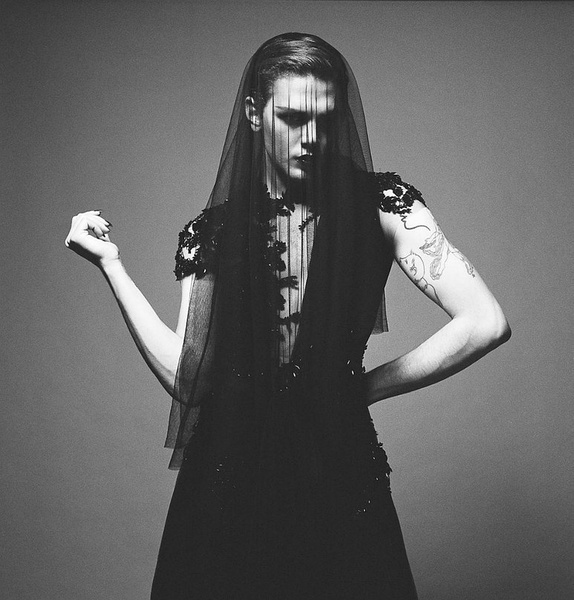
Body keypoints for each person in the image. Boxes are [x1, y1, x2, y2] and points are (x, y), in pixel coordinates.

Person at [65, 33, 510, 599]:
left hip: (338, 471)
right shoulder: (212, 234)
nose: (312, 138)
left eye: (326, 119)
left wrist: (364, 387)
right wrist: (112, 267)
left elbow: (485, 322)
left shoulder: (386, 205)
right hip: (224, 482)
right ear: (255, 113)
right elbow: (190, 380)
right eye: (293, 118)